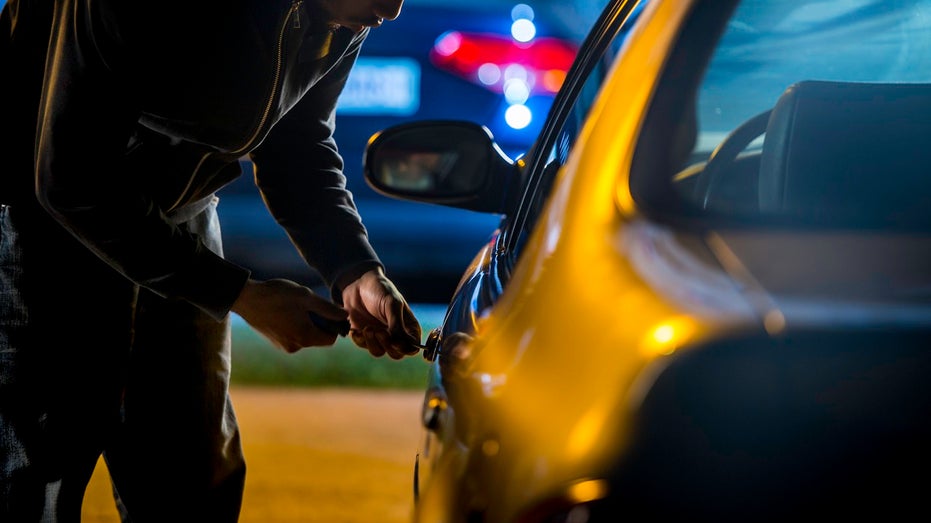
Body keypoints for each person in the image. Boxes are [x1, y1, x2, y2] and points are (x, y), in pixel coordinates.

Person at [0, 0, 422, 520]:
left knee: (193, 484)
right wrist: (237, 295)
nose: (394, 9)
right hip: (43, 230)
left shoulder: (342, 15)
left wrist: (355, 270)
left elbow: (299, 143)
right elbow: (71, 179)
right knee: (33, 479)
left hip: (184, 219)